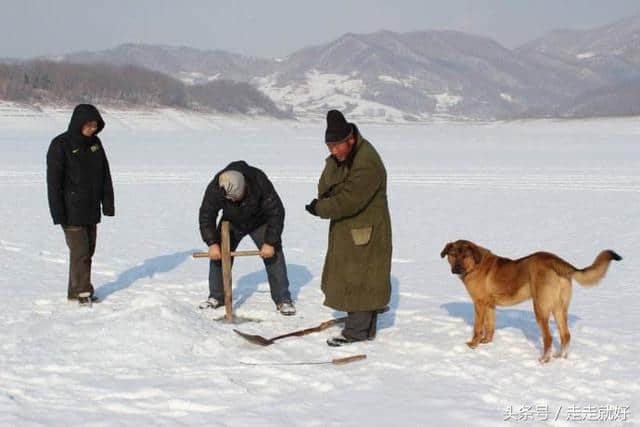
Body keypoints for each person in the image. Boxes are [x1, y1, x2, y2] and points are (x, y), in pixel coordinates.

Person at [305, 110, 392, 346]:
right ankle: (363, 329)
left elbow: (348, 200)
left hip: (366, 231)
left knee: (361, 280)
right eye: (329, 146)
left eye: (336, 146)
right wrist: (334, 162)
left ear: (350, 139)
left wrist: (321, 209)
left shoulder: (367, 162)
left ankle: (356, 333)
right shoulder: (345, 158)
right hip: (350, 229)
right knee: (356, 277)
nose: (333, 151)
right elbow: (326, 189)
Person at [199, 161, 295, 315]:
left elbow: (276, 212)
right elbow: (206, 215)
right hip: (231, 222)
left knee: (274, 253)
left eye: (237, 198)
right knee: (218, 255)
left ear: (244, 187)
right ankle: (216, 296)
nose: (235, 201)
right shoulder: (217, 187)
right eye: (231, 200)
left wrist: (270, 242)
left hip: (259, 221)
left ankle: (283, 299)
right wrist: (212, 243)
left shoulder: (259, 181)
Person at [46, 104, 114, 305]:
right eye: (89, 124)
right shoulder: (60, 145)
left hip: (91, 208)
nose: (92, 128)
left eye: (95, 124)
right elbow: (54, 182)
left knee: (88, 251)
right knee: (80, 251)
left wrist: (108, 204)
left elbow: (105, 175)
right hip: (70, 209)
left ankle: (75, 291)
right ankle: (82, 292)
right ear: (78, 123)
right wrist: (57, 213)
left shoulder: (96, 144)